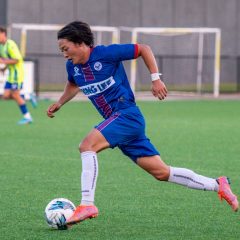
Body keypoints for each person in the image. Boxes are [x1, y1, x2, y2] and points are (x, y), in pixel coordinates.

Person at [47, 21, 238, 226]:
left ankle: (87, 204)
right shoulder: (73, 67)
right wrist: (60, 102)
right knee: (162, 172)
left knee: (87, 145)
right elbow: (73, 84)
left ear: (80, 43)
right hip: (118, 123)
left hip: (127, 115)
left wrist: (156, 79)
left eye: (65, 49)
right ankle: (218, 185)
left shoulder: (106, 54)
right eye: (61, 51)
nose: (64, 54)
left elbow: (143, 49)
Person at [0, 26, 34, 124]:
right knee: (5, 96)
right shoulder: (1, 46)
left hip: (17, 74)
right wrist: (4, 68)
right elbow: (7, 59)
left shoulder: (10, 44)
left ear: (3, 34)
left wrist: (2, 61)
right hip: (10, 74)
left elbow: (16, 59)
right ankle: (27, 95)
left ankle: (27, 117)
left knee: (15, 94)